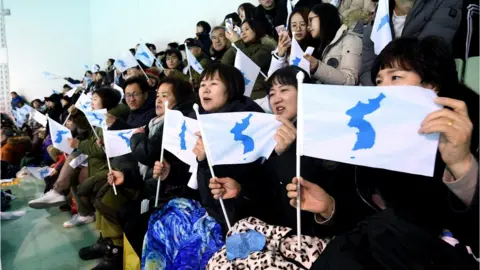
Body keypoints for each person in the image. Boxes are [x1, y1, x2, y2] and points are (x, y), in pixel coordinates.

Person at [290, 37, 479, 264]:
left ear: (431, 86)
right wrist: (330, 207)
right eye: (378, 81)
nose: (383, 89)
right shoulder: (372, 144)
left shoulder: (467, 133)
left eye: (396, 77)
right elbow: (365, 222)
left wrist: (462, 165)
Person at [108, 77, 196, 257]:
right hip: (153, 190)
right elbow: (147, 169)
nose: (158, 99)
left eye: (165, 95)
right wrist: (126, 177)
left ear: (180, 99)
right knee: (124, 213)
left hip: (172, 195)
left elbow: (148, 154)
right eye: (158, 95)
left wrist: (136, 136)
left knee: (134, 222)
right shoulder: (155, 122)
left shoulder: (178, 123)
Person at [189, 63, 265, 230]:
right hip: (217, 212)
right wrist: (202, 160)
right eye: (202, 85)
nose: (205, 90)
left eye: (213, 84)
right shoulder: (204, 121)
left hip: (245, 220)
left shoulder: (248, 122)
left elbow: (225, 192)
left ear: (231, 89)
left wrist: (205, 160)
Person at [359, 0, 463, 86]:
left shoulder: (445, 2)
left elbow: (427, 56)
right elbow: (367, 68)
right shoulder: (381, 10)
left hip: (427, 89)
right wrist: (380, 94)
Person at [304, 3, 363, 85]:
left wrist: (317, 67)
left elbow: (350, 80)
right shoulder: (320, 45)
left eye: (311, 20)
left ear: (323, 17)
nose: (308, 27)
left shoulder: (351, 40)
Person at [222, 19, 273, 99]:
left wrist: (237, 42)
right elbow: (224, 64)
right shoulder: (239, 47)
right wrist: (233, 43)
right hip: (241, 92)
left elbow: (250, 64)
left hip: (258, 92)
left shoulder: (265, 49)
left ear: (256, 29)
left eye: (247, 29)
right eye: (241, 31)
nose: (243, 33)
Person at [268, 7, 315, 76]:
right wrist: (280, 56)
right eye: (294, 25)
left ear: (309, 26)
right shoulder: (285, 45)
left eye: (302, 24)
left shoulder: (316, 45)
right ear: (289, 28)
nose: (298, 29)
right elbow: (271, 75)